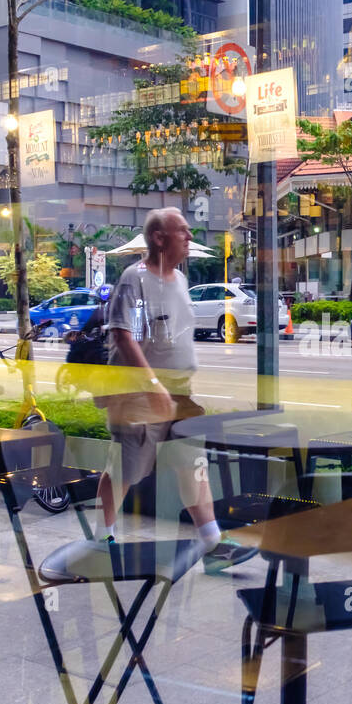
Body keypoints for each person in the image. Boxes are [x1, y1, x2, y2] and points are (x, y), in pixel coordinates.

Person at [98, 208, 257, 574]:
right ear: (159, 238)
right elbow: (125, 336)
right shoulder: (134, 280)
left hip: (179, 393)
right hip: (140, 394)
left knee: (193, 466)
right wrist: (152, 385)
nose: (188, 236)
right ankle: (101, 540)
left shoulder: (181, 281)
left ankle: (213, 542)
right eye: (181, 231)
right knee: (125, 470)